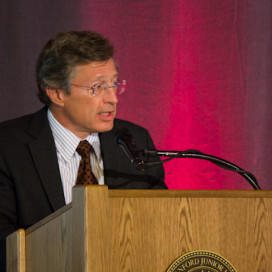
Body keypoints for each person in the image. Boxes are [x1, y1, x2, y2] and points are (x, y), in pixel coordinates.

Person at [0, 31, 166, 271]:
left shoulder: (134, 140)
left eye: (115, 84)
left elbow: (160, 220)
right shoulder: (8, 146)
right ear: (57, 93)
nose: (113, 99)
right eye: (97, 88)